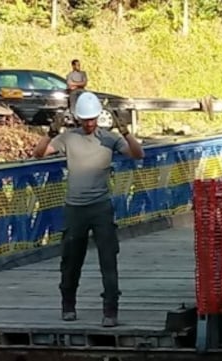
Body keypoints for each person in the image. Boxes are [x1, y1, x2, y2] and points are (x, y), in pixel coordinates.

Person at [32, 92, 145, 327]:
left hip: (101, 207)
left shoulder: (110, 139)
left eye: (92, 119)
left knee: (108, 258)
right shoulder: (68, 138)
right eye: (85, 120)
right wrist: (52, 132)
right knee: (71, 260)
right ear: (77, 119)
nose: (89, 124)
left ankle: (111, 310)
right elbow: (39, 153)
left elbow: (137, 154)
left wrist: (125, 132)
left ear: (98, 117)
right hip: (75, 208)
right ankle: (68, 304)